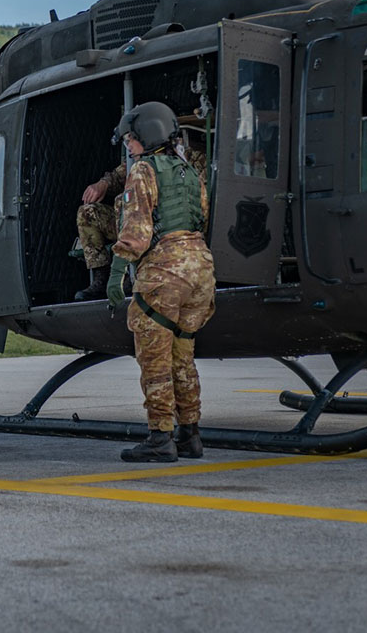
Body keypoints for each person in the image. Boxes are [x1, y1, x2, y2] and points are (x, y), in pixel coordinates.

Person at [106, 103, 216, 463]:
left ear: (147, 135)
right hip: (199, 269)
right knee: (183, 356)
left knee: (155, 359)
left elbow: (136, 231)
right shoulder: (189, 170)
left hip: (165, 272)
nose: (128, 145)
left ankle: (160, 438)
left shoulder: (143, 171)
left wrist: (115, 274)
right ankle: (190, 434)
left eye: (131, 138)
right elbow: (202, 217)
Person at [75, 129, 207, 301]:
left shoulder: (188, 158)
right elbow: (117, 176)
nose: (129, 146)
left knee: (125, 201)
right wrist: (103, 184)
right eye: (127, 141)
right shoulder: (139, 160)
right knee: (88, 213)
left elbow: (203, 196)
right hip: (136, 226)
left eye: (132, 140)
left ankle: (132, 274)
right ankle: (100, 279)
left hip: (166, 225)